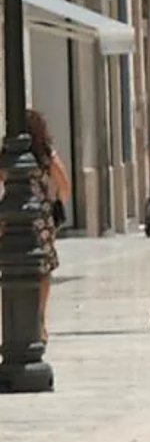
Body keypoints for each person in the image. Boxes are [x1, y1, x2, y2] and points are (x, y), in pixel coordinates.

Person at [19, 109, 70, 343]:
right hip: (41, 216)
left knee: (14, 267)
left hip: (12, 216)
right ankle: (40, 320)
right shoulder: (45, 153)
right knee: (44, 268)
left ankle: (17, 320)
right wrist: (57, 203)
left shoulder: (8, 154)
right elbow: (64, 184)